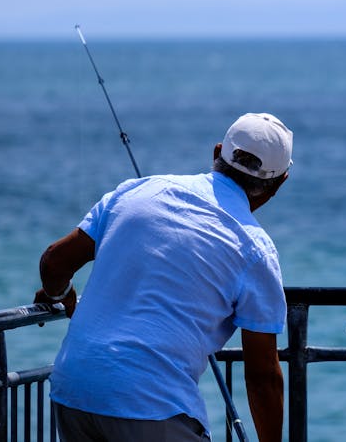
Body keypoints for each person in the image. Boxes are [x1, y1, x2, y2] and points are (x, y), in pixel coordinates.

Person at [34, 112, 293, 442]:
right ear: (279, 183)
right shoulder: (255, 249)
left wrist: (60, 294)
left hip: (73, 391)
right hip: (150, 406)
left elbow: (54, 263)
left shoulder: (135, 191)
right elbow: (262, 376)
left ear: (217, 153)